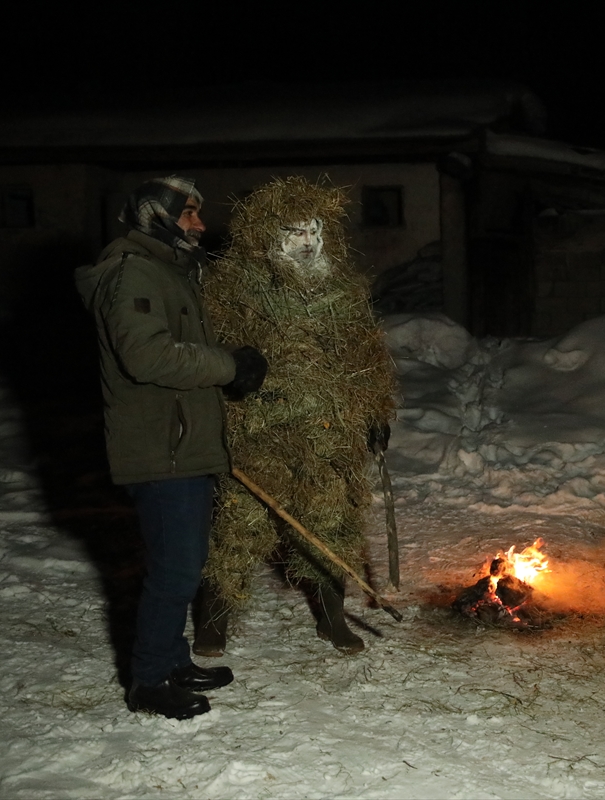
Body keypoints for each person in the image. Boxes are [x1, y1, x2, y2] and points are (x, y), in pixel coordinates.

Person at [74, 176, 268, 719]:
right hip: (162, 450)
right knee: (175, 571)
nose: (200, 224)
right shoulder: (132, 273)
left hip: (184, 444)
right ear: (153, 215)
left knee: (185, 562)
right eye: (188, 214)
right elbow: (148, 357)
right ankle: (149, 681)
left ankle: (172, 657)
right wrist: (228, 365)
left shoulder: (168, 271)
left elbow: (182, 350)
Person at [192, 176, 398, 658]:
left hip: (329, 430)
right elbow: (209, 356)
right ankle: (214, 622)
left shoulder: (344, 292)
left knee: (330, 524)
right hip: (259, 429)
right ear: (266, 235)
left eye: (314, 230)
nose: (306, 243)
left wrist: (375, 412)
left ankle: (332, 619)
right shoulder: (233, 290)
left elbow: (366, 358)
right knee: (240, 525)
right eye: (293, 232)